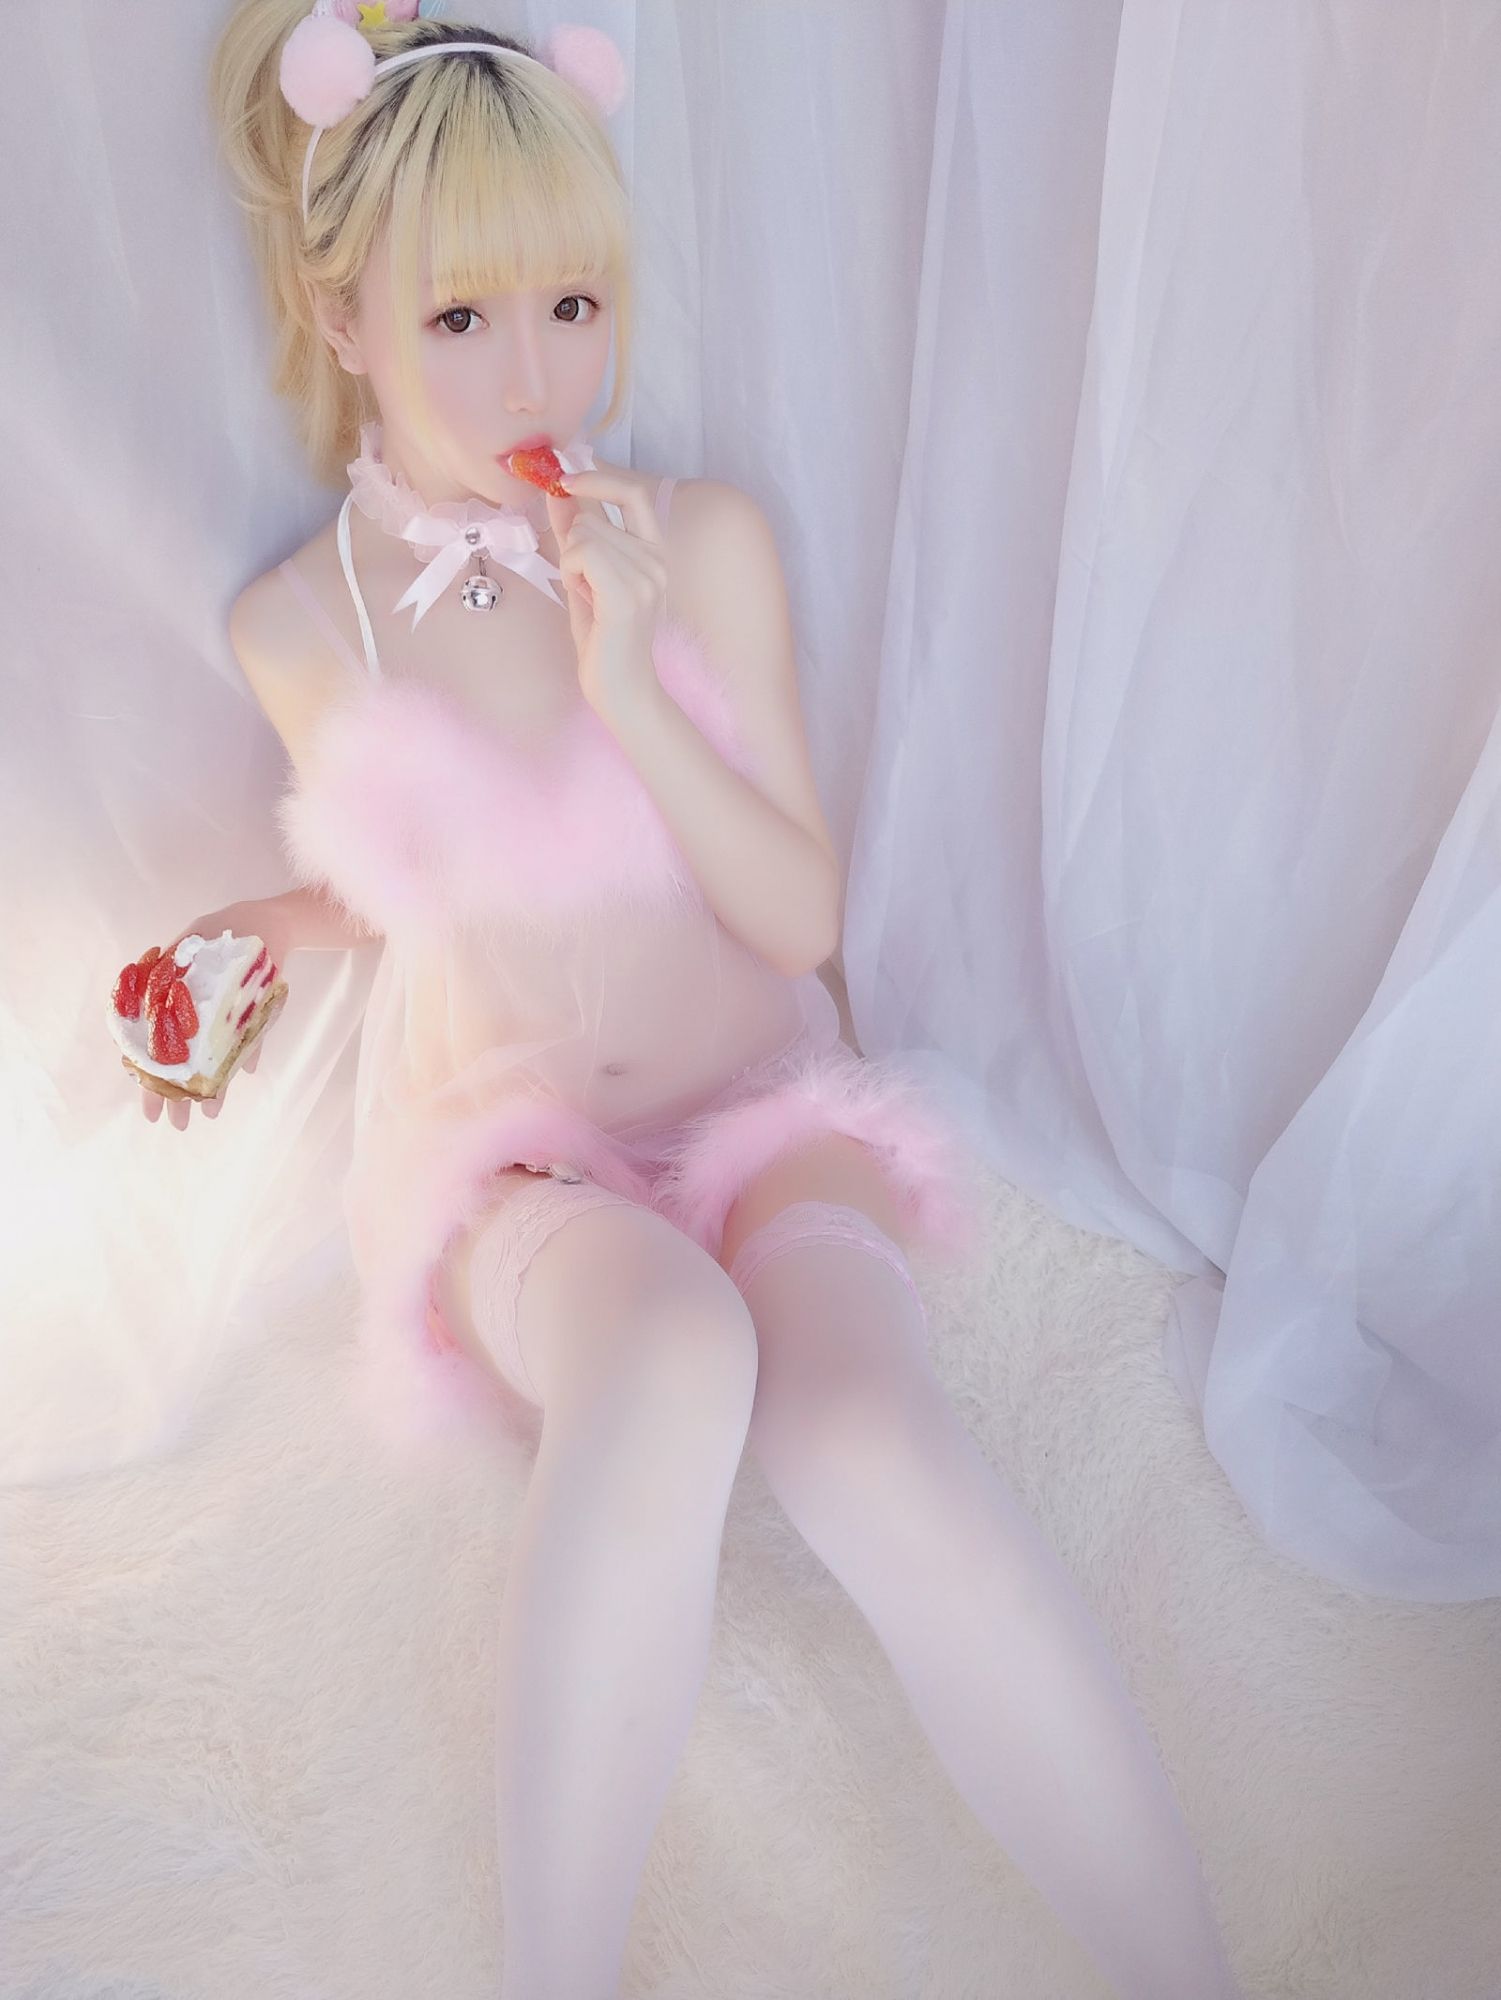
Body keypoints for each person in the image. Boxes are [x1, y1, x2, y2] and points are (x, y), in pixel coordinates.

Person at [179, 5, 1245, 1995]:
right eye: (460, 316)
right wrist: (232, 945)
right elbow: (414, 882)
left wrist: (633, 686)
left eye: (572, 303)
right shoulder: (295, 622)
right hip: (514, 1157)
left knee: (863, 1434)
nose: (535, 372)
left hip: (757, 1107)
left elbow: (792, 910)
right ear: (342, 319)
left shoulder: (701, 543)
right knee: (668, 1358)